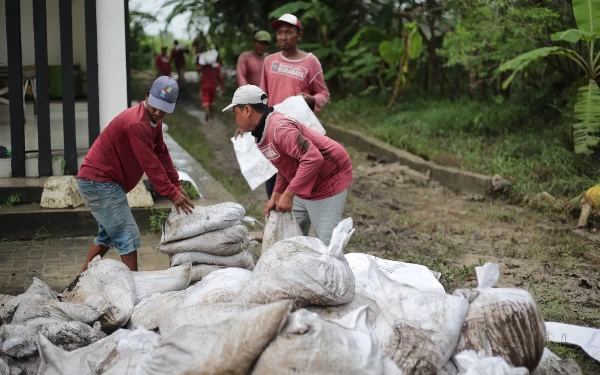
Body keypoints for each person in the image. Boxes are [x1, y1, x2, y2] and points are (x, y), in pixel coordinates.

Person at [77, 76, 195, 272]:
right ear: (147, 96)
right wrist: (172, 193)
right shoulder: (136, 123)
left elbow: (161, 153)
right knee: (128, 235)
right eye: (155, 105)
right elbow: (150, 163)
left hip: (104, 182)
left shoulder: (152, 120)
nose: (158, 112)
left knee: (107, 236)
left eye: (164, 108)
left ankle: (81, 279)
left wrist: (177, 185)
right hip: (99, 181)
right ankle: (135, 287)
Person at [223, 85, 351, 246]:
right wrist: (277, 194)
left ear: (247, 110)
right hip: (308, 178)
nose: (235, 119)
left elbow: (313, 159)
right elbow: (285, 164)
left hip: (329, 177)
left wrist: (288, 194)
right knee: (289, 238)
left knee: (328, 245)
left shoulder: (280, 128)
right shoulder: (262, 133)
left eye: (236, 113)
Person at [248, 14, 330, 200]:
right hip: (273, 132)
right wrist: (250, 119)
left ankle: (298, 224)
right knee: (274, 184)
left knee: (299, 181)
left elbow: (323, 94)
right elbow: (262, 95)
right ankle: (277, 223)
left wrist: (311, 99)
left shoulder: (311, 62)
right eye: (279, 32)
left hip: (299, 133)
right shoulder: (270, 61)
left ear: (298, 35)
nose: (283, 37)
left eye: (288, 32)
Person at [196, 49, 225, 121]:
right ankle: (211, 114)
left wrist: (198, 60)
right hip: (213, 85)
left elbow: (198, 69)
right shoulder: (217, 66)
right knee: (212, 101)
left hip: (204, 85)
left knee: (205, 100)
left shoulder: (203, 66)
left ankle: (207, 111)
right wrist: (222, 87)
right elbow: (220, 77)